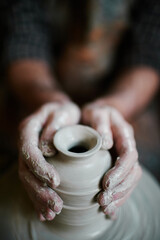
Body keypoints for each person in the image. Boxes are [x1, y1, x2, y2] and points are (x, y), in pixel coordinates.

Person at [1, 0, 159, 222]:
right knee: (18, 158)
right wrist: (49, 100)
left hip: (121, 94)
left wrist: (114, 107)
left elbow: (149, 55)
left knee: (145, 161)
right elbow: (23, 40)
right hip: (40, 92)